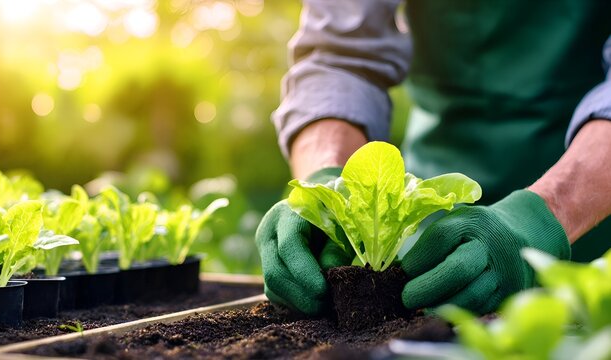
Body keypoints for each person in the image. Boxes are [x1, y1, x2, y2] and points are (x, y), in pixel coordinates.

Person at [255, 0, 611, 316]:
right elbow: (337, 57)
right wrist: (325, 187)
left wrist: (545, 216)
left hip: (594, 224)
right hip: (432, 232)